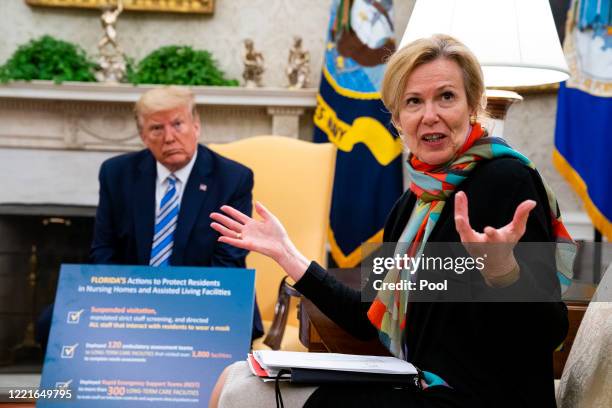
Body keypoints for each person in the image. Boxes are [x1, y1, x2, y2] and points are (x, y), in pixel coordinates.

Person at [208, 35, 574, 407]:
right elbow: (367, 318)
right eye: (414, 102)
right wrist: (288, 254)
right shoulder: (412, 205)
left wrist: (504, 273)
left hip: (484, 398)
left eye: (446, 97)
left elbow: (550, 331)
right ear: (398, 119)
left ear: (472, 106)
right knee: (235, 376)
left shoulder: (508, 182)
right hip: (422, 388)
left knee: (243, 394)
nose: (429, 115)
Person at [89, 86, 263, 340]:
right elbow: (102, 251)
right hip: (130, 302)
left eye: (178, 124)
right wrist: (130, 304)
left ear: (196, 126)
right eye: (156, 128)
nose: (169, 137)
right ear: (143, 136)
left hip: (207, 302)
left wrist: (174, 310)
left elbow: (229, 260)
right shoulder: (116, 174)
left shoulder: (232, 179)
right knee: (52, 321)